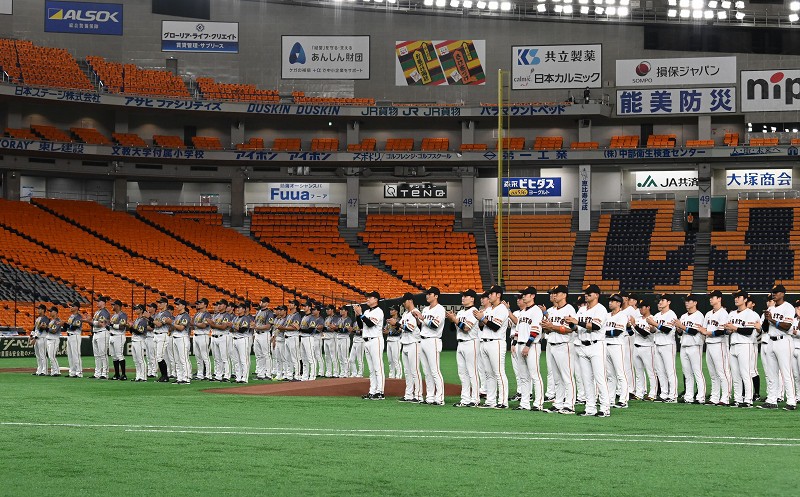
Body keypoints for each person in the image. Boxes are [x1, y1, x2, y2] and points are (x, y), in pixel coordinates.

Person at [567, 284, 609, 417]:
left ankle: (605, 408)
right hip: (582, 345)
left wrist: (577, 321)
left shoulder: (600, 309)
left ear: (597, 295)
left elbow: (596, 326)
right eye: (586, 292)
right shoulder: (582, 310)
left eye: (590, 293)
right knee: (586, 379)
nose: (587, 295)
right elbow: (575, 328)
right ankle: (590, 408)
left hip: (596, 345)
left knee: (600, 378)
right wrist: (570, 322)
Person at [541, 285, 577, 414]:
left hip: (564, 345)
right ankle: (559, 403)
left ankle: (570, 405)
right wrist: (546, 326)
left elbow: (571, 329)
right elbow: (548, 328)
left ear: (564, 295)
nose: (554, 295)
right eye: (553, 293)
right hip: (552, 344)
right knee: (556, 378)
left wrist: (553, 326)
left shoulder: (569, 309)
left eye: (557, 292)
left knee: (567, 377)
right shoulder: (551, 310)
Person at [761, 284, 797, 410]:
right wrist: (766, 320)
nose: (773, 294)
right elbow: (764, 329)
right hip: (771, 340)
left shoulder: (788, 307)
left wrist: (771, 320)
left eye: (776, 292)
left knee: (786, 372)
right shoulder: (771, 309)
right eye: (773, 292)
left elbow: (786, 326)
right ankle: (772, 400)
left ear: (782, 293)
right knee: (772, 373)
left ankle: (791, 401)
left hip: (784, 341)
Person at [474, 285, 510, 409]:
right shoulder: (489, 309)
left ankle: (503, 402)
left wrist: (482, 318)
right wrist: (479, 318)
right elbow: (482, 326)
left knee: (499, 373)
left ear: (498, 295)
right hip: (485, 342)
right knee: (488, 374)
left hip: (496, 342)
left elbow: (495, 327)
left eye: (492, 293)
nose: (489, 295)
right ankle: (491, 401)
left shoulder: (502, 309)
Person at [724, 290, 760, 408]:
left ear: (745, 299)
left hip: (745, 345)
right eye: (735, 297)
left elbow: (749, 331)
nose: (736, 299)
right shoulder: (732, 313)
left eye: (739, 297)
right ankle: (738, 399)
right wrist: (728, 329)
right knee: (735, 374)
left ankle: (748, 399)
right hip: (733, 344)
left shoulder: (750, 313)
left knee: (746, 373)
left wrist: (733, 327)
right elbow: (728, 330)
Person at [446, 289, 480, 408]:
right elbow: (453, 329)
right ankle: (465, 399)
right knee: (462, 373)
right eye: (463, 296)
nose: (463, 298)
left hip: (471, 342)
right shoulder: (460, 312)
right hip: (460, 343)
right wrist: (452, 319)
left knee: (472, 372)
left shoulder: (474, 311)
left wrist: (455, 319)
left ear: (472, 299)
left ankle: (475, 399)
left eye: (466, 296)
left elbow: (466, 328)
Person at [513, 286, 544, 412]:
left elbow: (535, 330)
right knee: (523, 376)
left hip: (532, 346)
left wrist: (527, 345)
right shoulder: (523, 311)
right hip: (521, 344)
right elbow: (518, 330)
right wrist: (515, 343)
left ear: (532, 296)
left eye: (525, 294)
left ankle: (538, 403)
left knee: (535, 375)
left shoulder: (536, 311)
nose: (523, 296)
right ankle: (525, 403)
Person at [415, 287, 446, 406]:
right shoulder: (426, 309)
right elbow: (421, 326)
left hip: (433, 341)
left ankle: (439, 398)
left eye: (430, 294)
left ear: (436, 296)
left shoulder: (440, 309)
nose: (427, 296)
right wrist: (417, 319)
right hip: (423, 340)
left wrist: (422, 319)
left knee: (434, 370)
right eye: (426, 294)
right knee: (426, 371)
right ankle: (430, 397)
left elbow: (434, 325)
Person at [673, 294, 706, 404]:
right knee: (687, 373)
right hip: (684, 346)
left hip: (695, 346)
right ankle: (689, 396)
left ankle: (700, 397)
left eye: (690, 301)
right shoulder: (683, 316)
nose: (687, 303)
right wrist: (678, 328)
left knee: (697, 372)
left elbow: (694, 331)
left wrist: (681, 326)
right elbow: (680, 332)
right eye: (686, 301)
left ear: (695, 302)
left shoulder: (699, 315)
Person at [354, 291, 385, 400]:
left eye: (370, 297)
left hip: (375, 340)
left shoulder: (379, 311)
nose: (367, 299)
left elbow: (371, 324)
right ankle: (372, 391)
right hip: (366, 340)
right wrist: (358, 315)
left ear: (376, 300)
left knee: (378, 367)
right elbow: (361, 325)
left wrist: (361, 314)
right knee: (371, 369)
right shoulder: (367, 311)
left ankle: (380, 392)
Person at [647, 294, 678, 403]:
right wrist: (651, 327)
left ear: (668, 302)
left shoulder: (671, 314)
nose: (660, 302)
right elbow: (653, 331)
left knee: (670, 371)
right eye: (659, 300)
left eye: (662, 300)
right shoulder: (657, 315)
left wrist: (654, 323)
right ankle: (664, 393)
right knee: (660, 371)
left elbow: (667, 330)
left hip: (668, 345)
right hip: (657, 343)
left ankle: (673, 395)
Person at [604, 293, 629, 409]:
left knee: (620, 374)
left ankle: (623, 400)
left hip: (617, 346)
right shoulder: (607, 315)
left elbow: (617, 332)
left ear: (619, 303)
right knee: (610, 375)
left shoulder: (622, 315)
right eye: (610, 300)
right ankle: (610, 399)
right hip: (606, 346)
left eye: (613, 301)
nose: (610, 302)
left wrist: (603, 332)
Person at [398, 293, 422, 402]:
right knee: (407, 371)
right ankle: (408, 394)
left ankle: (418, 395)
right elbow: (402, 328)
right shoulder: (405, 314)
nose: (403, 303)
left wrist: (398, 325)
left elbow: (410, 328)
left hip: (414, 343)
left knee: (415, 370)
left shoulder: (415, 312)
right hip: (405, 343)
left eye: (405, 301)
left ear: (410, 301)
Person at [631, 300, 657, 401]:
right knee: (638, 372)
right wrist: (629, 327)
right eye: (639, 307)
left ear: (648, 307)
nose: (640, 309)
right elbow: (631, 333)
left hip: (647, 347)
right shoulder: (637, 319)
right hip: (636, 347)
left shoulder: (652, 319)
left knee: (650, 371)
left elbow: (645, 334)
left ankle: (652, 393)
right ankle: (639, 393)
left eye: (642, 307)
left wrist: (634, 325)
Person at [231, 302, 254, 383]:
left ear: (244, 309)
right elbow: (230, 329)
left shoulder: (246, 318)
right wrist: (233, 327)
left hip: (242, 339)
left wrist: (233, 326)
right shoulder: (235, 318)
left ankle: (244, 378)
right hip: (235, 339)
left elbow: (242, 330)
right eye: (237, 308)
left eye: (240, 308)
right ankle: (238, 377)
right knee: (236, 360)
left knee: (243, 360)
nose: (238, 309)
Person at [209, 299, 232, 382]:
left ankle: (227, 375)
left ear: (225, 306)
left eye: (220, 304)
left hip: (223, 336)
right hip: (214, 336)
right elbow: (213, 326)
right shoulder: (216, 315)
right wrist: (213, 325)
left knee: (224, 358)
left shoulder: (227, 315)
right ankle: (218, 375)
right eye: (218, 304)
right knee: (216, 358)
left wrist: (213, 324)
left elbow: (223, 327)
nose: (218, 306)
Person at [170, 299, 192, 384]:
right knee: (177, 359)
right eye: (176, 305)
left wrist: (171, 322)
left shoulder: (186, 316)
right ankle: (179, 377)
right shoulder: (178, 316)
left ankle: (186, 378)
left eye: (178, 305)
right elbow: (174, 327)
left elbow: (181, 328)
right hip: (175, 337)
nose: (177, 306)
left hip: (182, 337)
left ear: (183, 306)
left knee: (183, 359)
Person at [152, 297, 173, 383]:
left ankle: (165, 376)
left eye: (161, 303)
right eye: (159, 303)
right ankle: (163, 376)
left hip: (163, 335)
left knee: (160, 356)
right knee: (158, 356)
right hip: (156, 335)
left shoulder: (167, 313)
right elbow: (154, 324)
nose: (159, 304)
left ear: (165, 304)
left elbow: (159, 324)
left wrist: (149, 318)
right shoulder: (159, 313)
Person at [253, 297, 274, 380]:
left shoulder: (269, 313)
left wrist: (257, 327)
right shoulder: (258, 312)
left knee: (266, 354)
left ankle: (268, 374)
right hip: (257, 334)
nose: (261, 302)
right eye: (261, 301)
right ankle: (260, 374)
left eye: (263, 302)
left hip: (264, 334)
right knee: (258, 355)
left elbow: (268, 326)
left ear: (267, 303)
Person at [91, 295, 111, 379]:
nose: (97, 302)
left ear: (103, 302)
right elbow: (96, 323)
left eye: (98, 301)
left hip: (103, 332)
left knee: (102, 354)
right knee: (96, 355)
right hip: (96, 333)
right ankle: (97, 373)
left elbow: (101, 324)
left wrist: (91, 321)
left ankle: (105, 373)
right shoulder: (97, 312)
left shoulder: (104, 312)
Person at [191, 298, 212, 381]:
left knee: (205, 356)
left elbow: (204, 325)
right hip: (195, 335)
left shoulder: (207, 315)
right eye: (198, 303)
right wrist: (195, 324)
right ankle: (200, 374)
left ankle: (208, 374)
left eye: (200, 303)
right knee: (198, 356)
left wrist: (195, 323)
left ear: (205, 304)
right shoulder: (197, 314)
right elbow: (192, 324)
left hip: (203, 335)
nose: (198, 304)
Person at [108, 299, 128, 381]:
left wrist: (112, 325)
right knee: (114, 356)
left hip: (119, 336)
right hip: (112, 335)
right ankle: (116, 374)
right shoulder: (114, 315)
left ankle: (123, 374)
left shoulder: (122, 315)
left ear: (118, 306)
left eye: (114, 304)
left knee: (119, 355)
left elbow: (122, 326)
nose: (112, 306)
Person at [282, 300, 302, 381]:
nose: (289, 305)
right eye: (289, 303)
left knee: (295, 357)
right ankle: (289, 375)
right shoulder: (289, 315)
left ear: (296, 306)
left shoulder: (297, 315)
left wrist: (284, 328)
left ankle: (297, 375)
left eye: (291, 303)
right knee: (287, 358)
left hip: (293, 337)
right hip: (287, 337)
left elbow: (295, 327)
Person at [129, 304, 149, 382]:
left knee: (140, 359)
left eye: (137, 309)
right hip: (134, 340)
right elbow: (132, 331)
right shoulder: (137, 319)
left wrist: (131, 327)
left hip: (140, 340)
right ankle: (138, 376)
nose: (135, 310)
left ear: (141, 310)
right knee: (135, 360)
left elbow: (140, 332)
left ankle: (143, 377)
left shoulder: (143, 320)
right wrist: (130, 327)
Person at [298, 301, 317, 382]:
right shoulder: (304, 317)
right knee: (304, 358)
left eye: (305, 306)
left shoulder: (312, 317)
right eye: (303, 306)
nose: (304, 307)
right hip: (302, 338)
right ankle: (305, 376)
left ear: (309, 307)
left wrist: (299, 329)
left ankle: (312, 376)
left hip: (309, 338)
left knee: (311, 358)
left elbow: (311, 329)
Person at [64, 302, 83, 378]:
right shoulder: (71, 316)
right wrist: (63, 325)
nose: (70, 307)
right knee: (70, 355)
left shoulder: (79, 317)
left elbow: (74, 327)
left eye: (72, 306)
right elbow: (67, 328)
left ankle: (79, 372)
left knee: (76, 354)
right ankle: (72, 372)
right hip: (69, 335)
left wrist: (64, 324)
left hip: (75, 335)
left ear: (77, 308)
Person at [384, 305, 403, 379]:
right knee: (390, 360)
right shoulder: (389, 320)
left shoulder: (399, 320)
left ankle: (399, 375)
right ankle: (391, 375)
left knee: (396, 359)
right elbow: (385, 330)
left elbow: (399, 331)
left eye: (392, 310)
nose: (391, 311)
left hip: (396, 340)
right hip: (389, 340)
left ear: (396, 311)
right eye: (390, 310)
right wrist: (388, 331)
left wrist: (389, 331)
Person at [31, 304, 49, 376]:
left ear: (43, 310)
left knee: (42, 355)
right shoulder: (38, 318)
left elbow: (41, 329)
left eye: (39, 309)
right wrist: (31, 335)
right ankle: (39, 370)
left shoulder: (45, 319)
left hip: (42, 338)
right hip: (37, 337)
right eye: (38, 308)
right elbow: (35, 328)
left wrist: (35, 338)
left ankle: (44, 371)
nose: (38, 310)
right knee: (38, 355)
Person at [334, 306, 351, 378]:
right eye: (340, 310)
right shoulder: (339, 319)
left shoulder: (348, 319)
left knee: (344, 357)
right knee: (340, 357)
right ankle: (342, 372)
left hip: (345, 338)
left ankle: (347, 372)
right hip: (338, 338)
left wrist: (336, 328)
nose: (340, 311)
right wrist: (336, 328)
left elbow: (346, 330)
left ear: (346, 311)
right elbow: (337, 329)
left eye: (342, 310)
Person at [348, 306, 365, 378]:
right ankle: (354, 373)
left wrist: (354, 330)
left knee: (359, 359)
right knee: (351, 359)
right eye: (354, 312)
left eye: (356, 312)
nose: (355, 314)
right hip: (355, 340)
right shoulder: (355, 322)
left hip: (361, 340)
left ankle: (360, 373)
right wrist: (351, 330)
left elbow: (364, 332)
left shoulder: (363, 321)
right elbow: (354, 331)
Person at [271, 305, 288, 380]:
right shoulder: (278, 319)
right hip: (277, 339)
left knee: (284, 358)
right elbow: (275, 330)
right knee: (278, 358)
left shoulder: (286, 319)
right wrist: (274, 339)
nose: (279, 311)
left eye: (281, 310)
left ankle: (285, 373)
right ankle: (279, 374)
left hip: (283, 339)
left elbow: (284, 329)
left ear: (285, 311)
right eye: (279, 310)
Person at [45, 306, 62, 376]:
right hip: (49, 339)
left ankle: (57, 371)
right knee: (50, 356)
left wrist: (46, 328)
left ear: (55, 312)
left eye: (51, 311)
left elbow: (54, 330)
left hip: (54, 339)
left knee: (52, 356)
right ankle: (53, 371)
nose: (50, 312)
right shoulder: (51, 321)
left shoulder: (57, 321)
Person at [322, 305, 338, 378]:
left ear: (332, 310)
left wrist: (326, 327)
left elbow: (334, 328)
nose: (327, 310)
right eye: (326, 309)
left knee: (333, 356)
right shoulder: (326, 318)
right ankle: (328, 372)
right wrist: (326, 328)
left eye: (328, 309)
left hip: (332, 338)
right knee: (327, 356)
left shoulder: (335, 318)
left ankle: (335, 372)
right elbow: (327, 327)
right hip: (325, 338)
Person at [145, 302, 158, 378]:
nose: (149, 308)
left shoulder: (155, 317)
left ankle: (154, 371)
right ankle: (149, 371)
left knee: (153, 356)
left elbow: (152, 327)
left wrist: (145, 327)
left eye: (150, 307)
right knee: (148, 356)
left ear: (154, 308)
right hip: (146, 337)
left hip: (153, 337)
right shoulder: (146, 317)